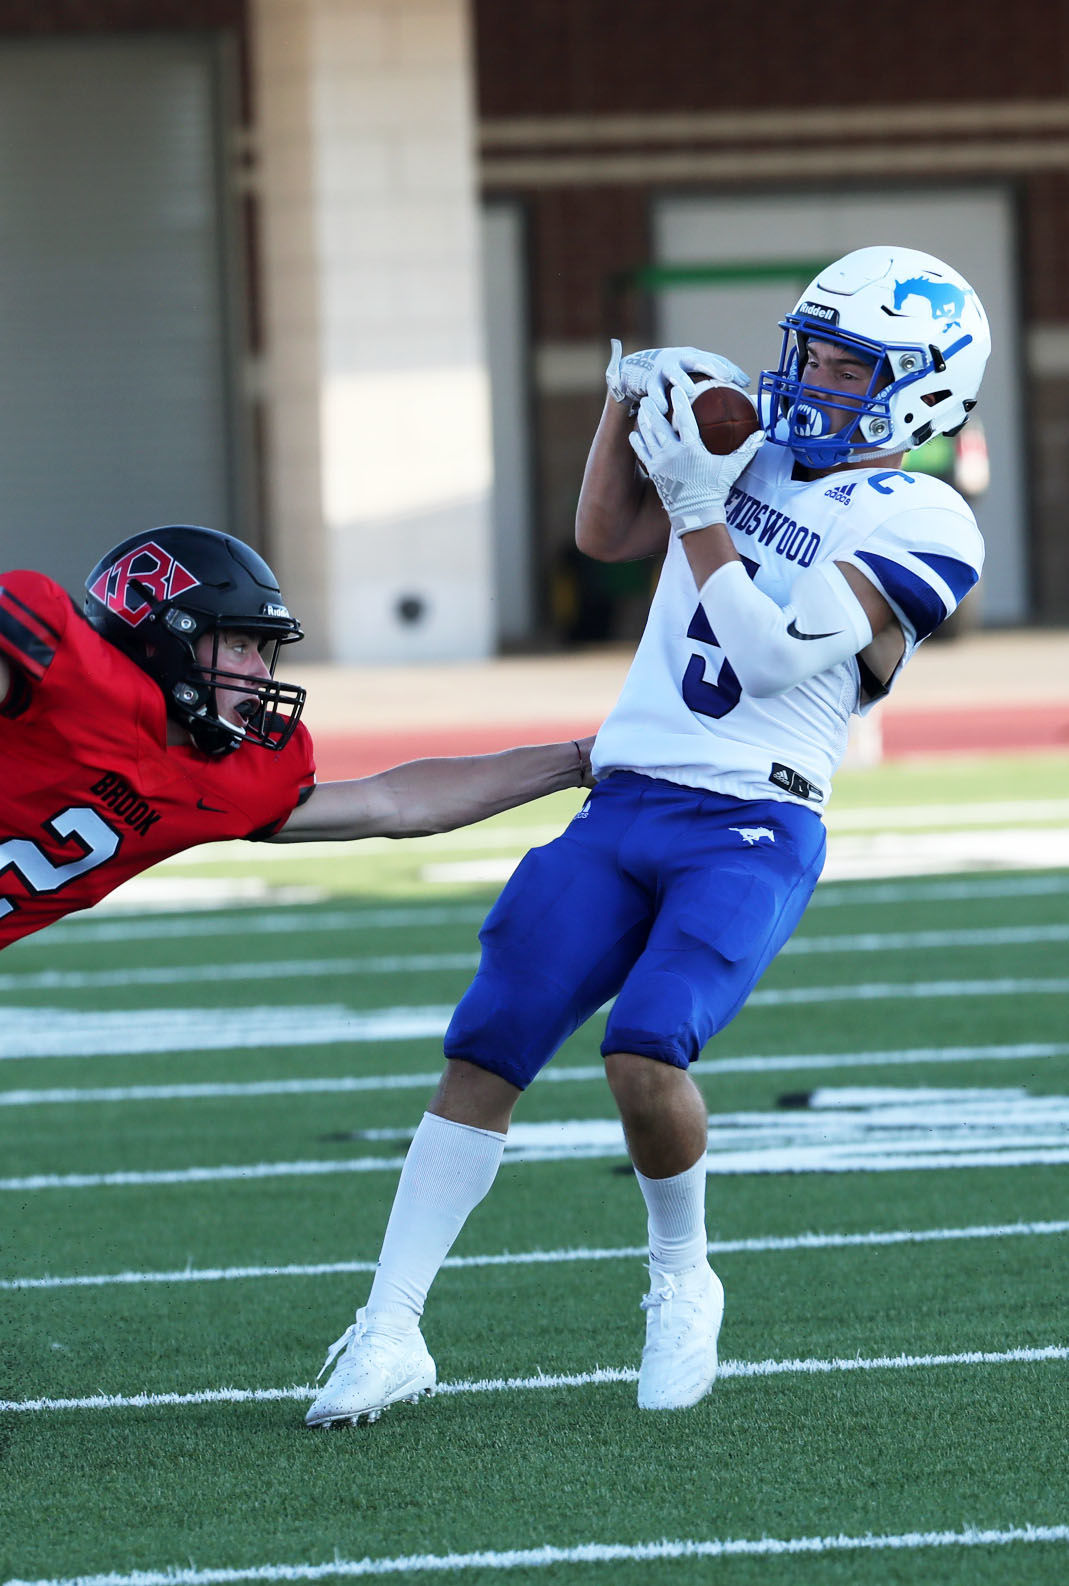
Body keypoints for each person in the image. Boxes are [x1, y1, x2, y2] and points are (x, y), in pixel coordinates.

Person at [305, 245, 990, 1426]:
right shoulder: (756, 448)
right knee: (487, 1046)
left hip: (754, 817)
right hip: (624, 795)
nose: (810, 380)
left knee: (645, 1049)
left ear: (924, 389)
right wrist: (629, 408)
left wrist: (700, 504)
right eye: (810, 352)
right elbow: (604, 534)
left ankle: (682, 1277)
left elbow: (773, 649)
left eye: (844, 364)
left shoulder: (928, 516)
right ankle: (390, 1324)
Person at [0, 523, 593, 948]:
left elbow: (397, 801)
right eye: (238, 644)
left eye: (262, 650)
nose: (260, 673)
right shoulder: (61, 671)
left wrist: (576, 761)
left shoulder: (237, 779)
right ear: (161, 639)